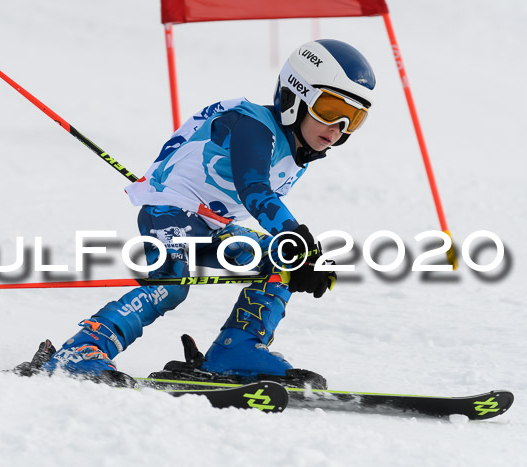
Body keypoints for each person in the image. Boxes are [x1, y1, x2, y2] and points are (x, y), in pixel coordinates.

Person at [25, 39, 376, 387]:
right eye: (330, 110)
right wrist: (295, 237)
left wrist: (303, 257)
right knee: (172, 281)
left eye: (354, 118)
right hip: (170, 210)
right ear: (294, 96)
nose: (339, 127)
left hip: (213, 225)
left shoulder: (299, 151)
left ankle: (235, 351)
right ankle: (81, 351)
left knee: (278, 259)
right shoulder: (252, 125)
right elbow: (255, 190)